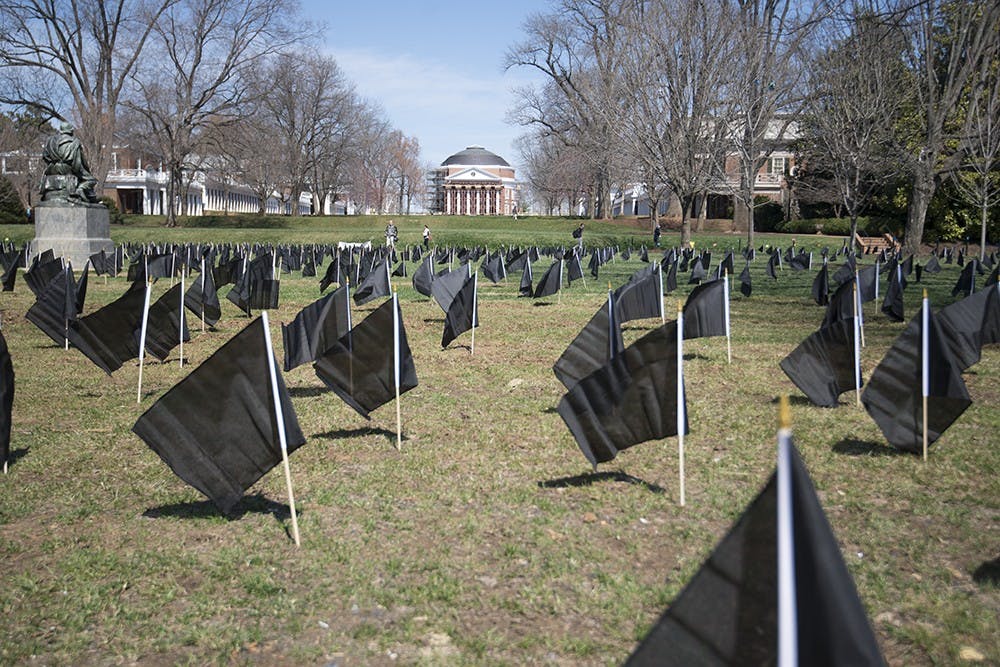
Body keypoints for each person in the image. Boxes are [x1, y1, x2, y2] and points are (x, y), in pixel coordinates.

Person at [39, 122, 99, 204]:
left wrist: (53, 163)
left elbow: (45, 156)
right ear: (71, 131)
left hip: (52, 169)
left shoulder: (50, 140)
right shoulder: (74, 142)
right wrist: (83, 172)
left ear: (61, 130)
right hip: (67, 168)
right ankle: (80, 189)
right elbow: (78, 162)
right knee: (92, 180)